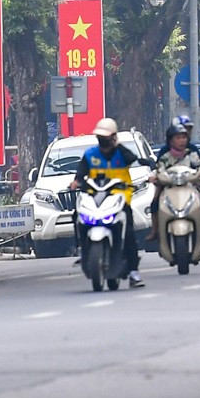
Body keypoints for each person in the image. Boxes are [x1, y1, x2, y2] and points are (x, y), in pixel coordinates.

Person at [75, 117, 149, 287]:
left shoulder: (121, 153)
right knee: (77, 217)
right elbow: (81, 172)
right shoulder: (90, 154)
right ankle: (82, 249)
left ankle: (133, 272)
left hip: (120, 197)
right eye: (100, 138)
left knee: (129, 232)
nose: (103, 141)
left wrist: (117, 146)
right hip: (95, 197)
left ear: (113, 137)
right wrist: (76, 181)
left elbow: (132, 158)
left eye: (107, 138)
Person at [152, 117, 200, 253]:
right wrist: (156, 177)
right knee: (155, 202)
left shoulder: (192, 151)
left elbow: (198, 167)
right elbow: (159, 168)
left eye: (187, 132)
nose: (184, 138)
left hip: (190, 185)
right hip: (168, 186)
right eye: (179, 136)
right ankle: (155, 230)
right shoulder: (165, 153)